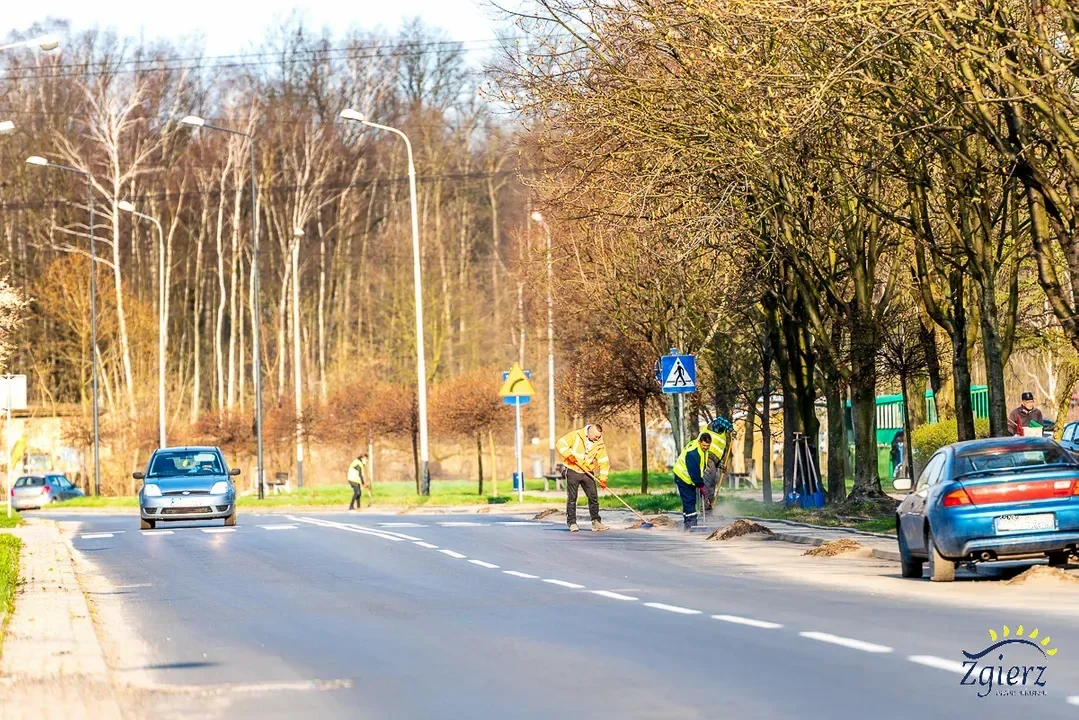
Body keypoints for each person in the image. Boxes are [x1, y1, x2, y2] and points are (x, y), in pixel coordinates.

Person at [556, 424, 610, 532]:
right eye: (595, 436)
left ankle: (596, 522)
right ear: (589, 432)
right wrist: (568, 455)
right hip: (573, 469)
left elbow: (603, 461)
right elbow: (560, 444)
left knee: (593, 497)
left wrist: (603, 478)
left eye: (599, 437)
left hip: (587, 471)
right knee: (572, 498)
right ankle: (572, 523)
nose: (597, 439)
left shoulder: (599, 443)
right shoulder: (576, 435)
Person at [674, 432, 712, 531]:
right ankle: (691, 525)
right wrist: (700, 485)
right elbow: (694, 472)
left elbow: (700, 463)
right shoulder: (693, 452)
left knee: (689, 501)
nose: (705, 448)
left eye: (707, 446)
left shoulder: (701, 448)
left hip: (688, 478)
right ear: (700, 442)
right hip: (682, 476)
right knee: (689, 500)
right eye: (704, 445)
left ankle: (688, 525)